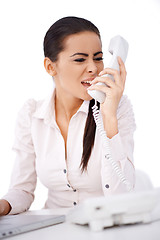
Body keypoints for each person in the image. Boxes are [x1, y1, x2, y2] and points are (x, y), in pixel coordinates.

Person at [0, 16, 136, 216]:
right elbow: (22, 190)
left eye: (98, 58)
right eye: (80, 59)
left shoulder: (117, 108)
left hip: (104, 225)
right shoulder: (32, 115)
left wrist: (108, 117)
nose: (93, 68)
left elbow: (122, 197)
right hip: (53, 227)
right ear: (50, 67)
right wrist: (4, 206)